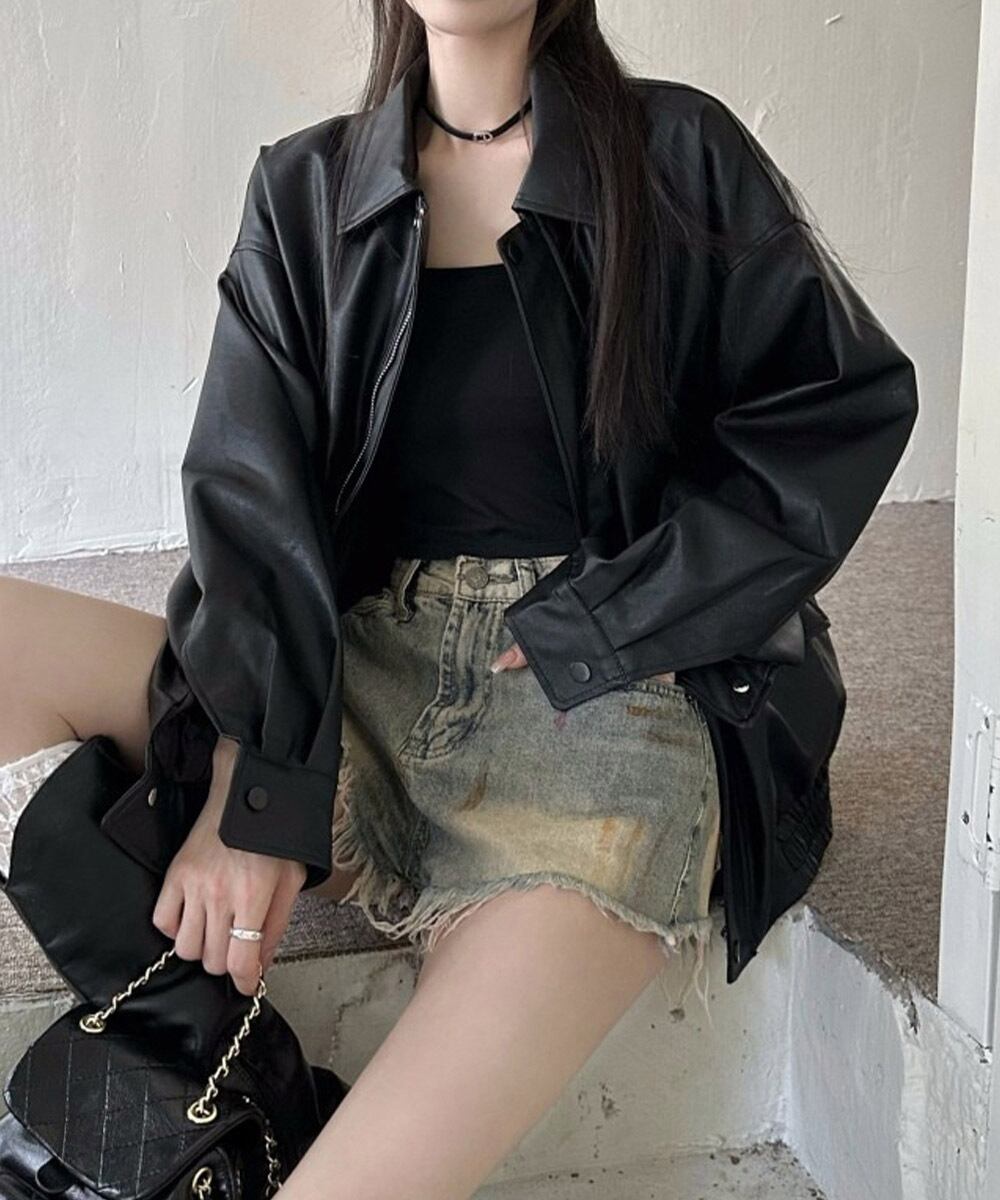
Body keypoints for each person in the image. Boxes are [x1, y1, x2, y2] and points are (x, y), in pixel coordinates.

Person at [0, 1, 919, 1197]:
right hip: (354, 675)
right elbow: (253, 508)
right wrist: (253, 781)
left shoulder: (675, 153)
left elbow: (833, 410)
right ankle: (232, 1075)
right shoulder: (309, 188)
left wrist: (618, 616)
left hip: (602, 716)